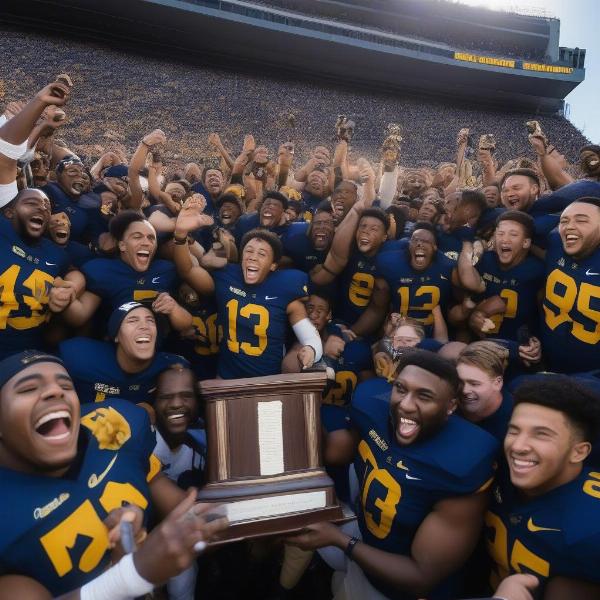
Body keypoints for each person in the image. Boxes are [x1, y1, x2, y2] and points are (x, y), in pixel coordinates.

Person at [0, 350, 221, 596]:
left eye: (66, 384)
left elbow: (194, 518)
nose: (56, 391)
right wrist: (133, 573)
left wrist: (136, 546)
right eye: (28, 388)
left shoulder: (115, 424)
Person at [287, 350, 498, 599]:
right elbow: (333, 452)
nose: (406, 404)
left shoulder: (463, 462)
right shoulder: (376, 411)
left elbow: (420, 576)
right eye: (401, 388)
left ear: (451, 405)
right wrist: (310, 397)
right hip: (364, 547)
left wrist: (340, 541)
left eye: (424, 396)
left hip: (397, 591)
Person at [173, 197, 322, 378]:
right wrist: (180, 234)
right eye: (249, 251)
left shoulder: (286, 287)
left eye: (262, 254)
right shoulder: (227, 277)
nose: (253, 257)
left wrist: (312, 350)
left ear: (273, 265)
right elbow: (187, 270)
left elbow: (310, 337)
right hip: (227, 379)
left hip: (268, 382)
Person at [485, 376, 600, 598]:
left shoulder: (590, 530)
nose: (517, 446)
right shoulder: (495, 467)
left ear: (579, 452)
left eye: (541, 435)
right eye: (514, 430)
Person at [58, 210, 192, 334]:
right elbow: (79, 316)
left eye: (151, 238)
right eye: (137, 237)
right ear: (122, 245)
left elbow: (186, 325)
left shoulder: (166, 270)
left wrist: (174, 308)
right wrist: (64, 296)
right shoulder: (102, 270)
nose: (146, 243)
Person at [59, 301, 189, 403]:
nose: (144, 326)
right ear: (116, 336)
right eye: (132, 321)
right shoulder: (78, 355)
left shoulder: (172, 366)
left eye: (150, 321)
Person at [153, 365, 206, 600]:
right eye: (166, 397)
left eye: (186, 396)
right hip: (140, 540)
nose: (176, 404)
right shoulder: (143, 440)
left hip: (182, 542)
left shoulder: (206, 445)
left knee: (182, 578)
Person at [457, 211, 545, 347]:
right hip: (480, 346)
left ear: (526, 242)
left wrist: (536, 340)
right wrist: (474, 317)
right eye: (500, 233)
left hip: (519, 347)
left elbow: (543, 314)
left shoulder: (537, 270)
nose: (505, 239)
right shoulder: (484, 261)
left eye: (513, 234)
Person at [352, 223, 453, 339]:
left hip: (430, 335)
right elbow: (377, 307)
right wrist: (352, 333)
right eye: (415, 240)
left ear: (435, 247)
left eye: (426, 241)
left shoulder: (448, 268)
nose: (419, 243)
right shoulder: (388, 263)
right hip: (397, 333)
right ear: (409, 245)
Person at [541, 197, 600, 373]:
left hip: (591, 380)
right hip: (545, 362)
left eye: (581, 220)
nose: (569, 226)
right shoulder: (555, 242)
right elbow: (530, 219)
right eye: (564, 221)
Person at [456, 341, 512, 442]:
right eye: (460, 382)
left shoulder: (514, 421)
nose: (464, 390)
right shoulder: (448, 408)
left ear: (497, 383)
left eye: (474, 384)